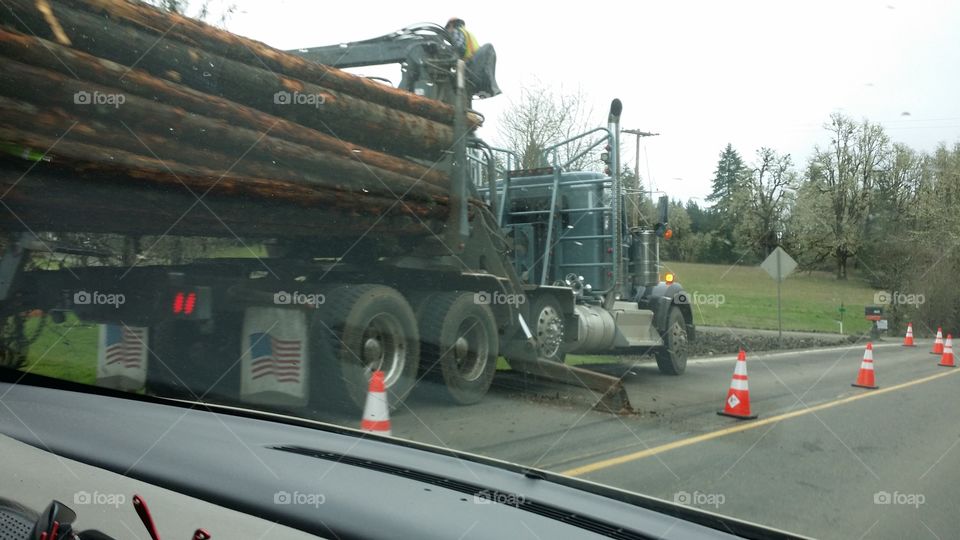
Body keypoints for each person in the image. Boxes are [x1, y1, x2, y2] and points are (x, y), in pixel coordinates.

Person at [444, 18, 501, 98]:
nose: (448, 32)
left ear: (451, 25)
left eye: (447, 29)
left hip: (467, 66)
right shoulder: (468, 33)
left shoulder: (457, 31)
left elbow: (459, 48)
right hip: (475, 67)